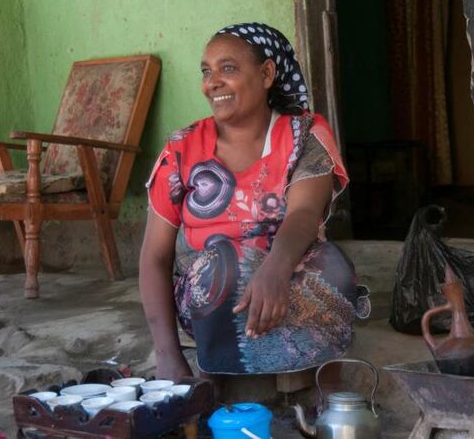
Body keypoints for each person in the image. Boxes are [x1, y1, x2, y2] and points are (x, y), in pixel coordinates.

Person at [139, 22, 369, 380]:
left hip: (284, 281)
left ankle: (314, 382)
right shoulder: (181, 148)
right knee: (219, 266)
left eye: (227, 68)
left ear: (266, 74)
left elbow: (305, 213)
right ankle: (221, 375)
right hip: (211, 296)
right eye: (206, 71)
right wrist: (167, 355)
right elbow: (155, 255)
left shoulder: (305, 135)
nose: (211, 82)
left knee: (335, 267)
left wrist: (275, 269)